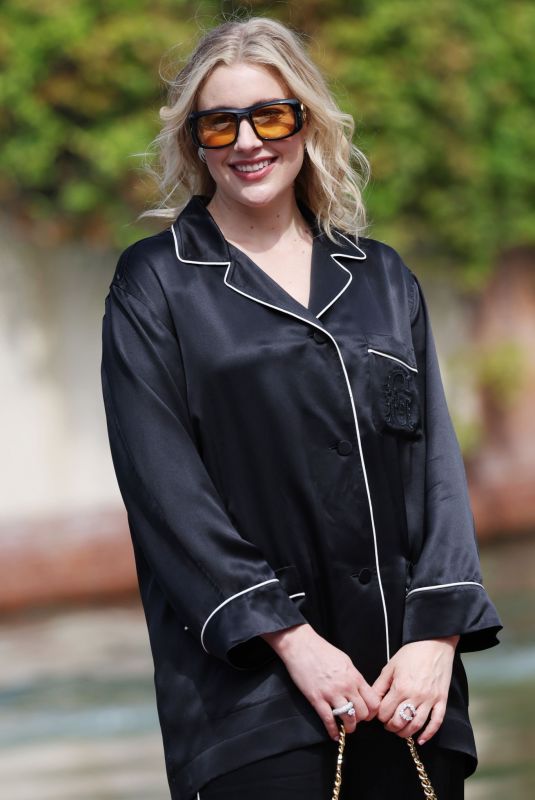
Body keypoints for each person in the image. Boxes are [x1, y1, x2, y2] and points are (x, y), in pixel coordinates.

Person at [100, 16, 502, 800]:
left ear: (306, 120)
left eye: (270, 115)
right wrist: (291, 640)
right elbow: (167, 496)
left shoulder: (382, 278)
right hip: (252, 706)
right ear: (194, 140)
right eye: (220, 122)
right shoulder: (155, 285)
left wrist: (437, 637)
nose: (247, 142)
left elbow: (437, 478)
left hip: (408, 693)